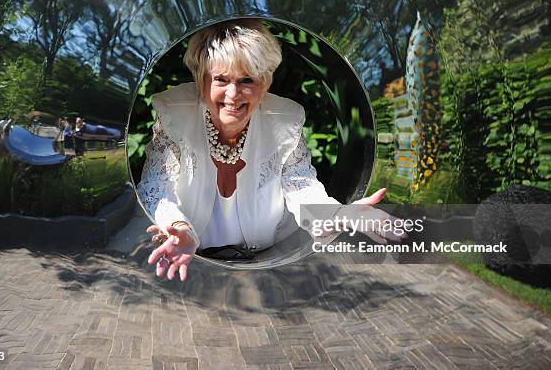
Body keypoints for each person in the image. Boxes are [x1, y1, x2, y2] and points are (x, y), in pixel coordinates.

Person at [138, 19, 404, 282]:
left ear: (264, 83)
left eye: (246, 80)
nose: (233, 94)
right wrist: (178, 227)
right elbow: (157, 186)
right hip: (192, 254)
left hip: (265, 260)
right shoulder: (176, 115)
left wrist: (341, 215)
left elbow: (301, 187)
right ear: (200, 80)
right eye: (221, 79)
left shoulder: (283, 120)